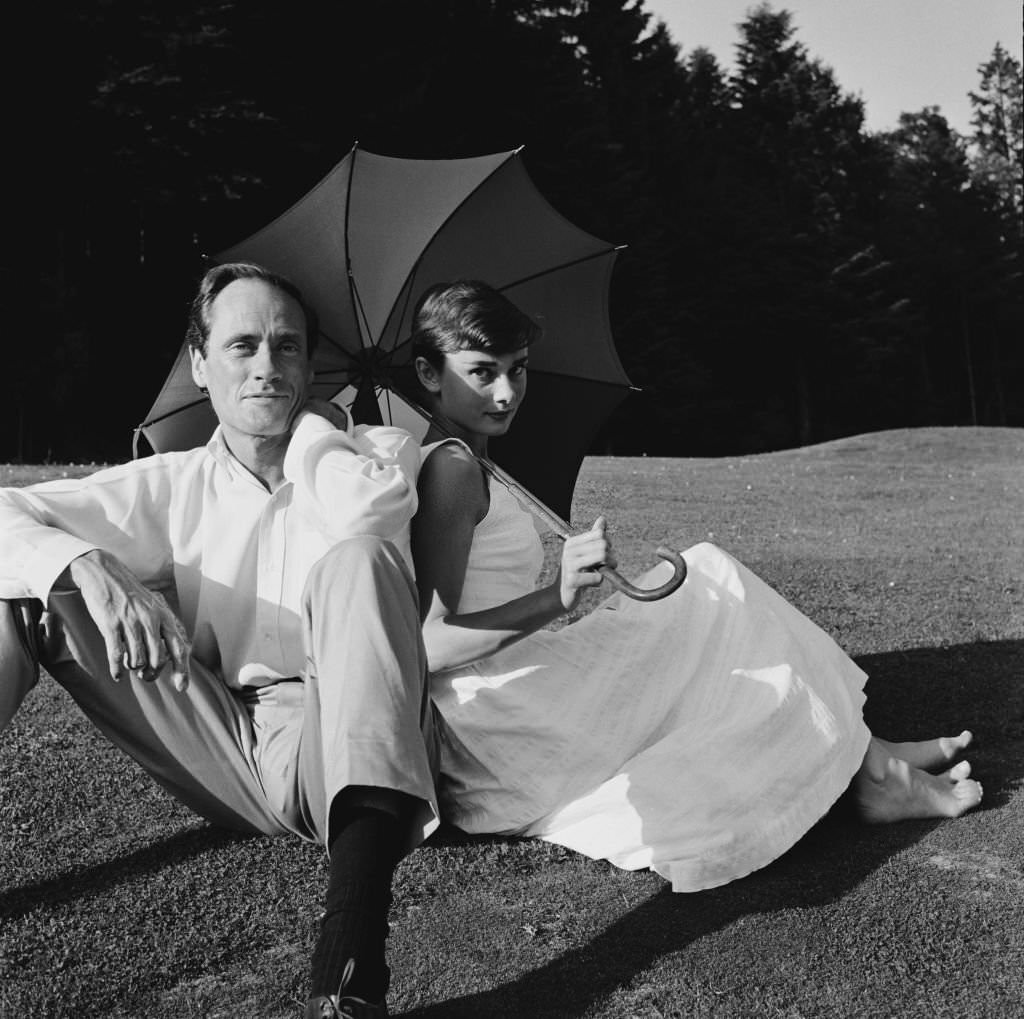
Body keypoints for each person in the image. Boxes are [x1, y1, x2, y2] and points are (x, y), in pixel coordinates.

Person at [407, 278, 983, 895]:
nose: (505, 392)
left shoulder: (473, 458)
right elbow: (431, 644)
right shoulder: (452, 471)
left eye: (518, 369)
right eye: (481, 372)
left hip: (513, 680)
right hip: (500, 720)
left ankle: (868, 754)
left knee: (706, 579)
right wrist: (559, 594)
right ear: (429, 374)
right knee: (708, 585)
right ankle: (873, 772)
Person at [0, 262, 436, 1018]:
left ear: (310, 365)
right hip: (220, 734)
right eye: (242, 347)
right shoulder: (170, 483)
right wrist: (87, 562)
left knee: (357, 558)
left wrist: (312, 436)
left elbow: (372, 527)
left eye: (287, 347)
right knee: (24, 591)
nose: (266, 366)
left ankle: (352, 956)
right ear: (201, 365)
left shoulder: (375, 455)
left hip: (342, 729)